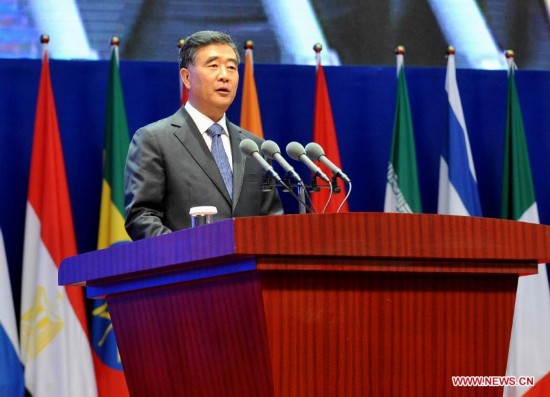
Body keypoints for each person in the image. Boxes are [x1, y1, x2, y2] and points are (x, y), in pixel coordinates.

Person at [124, 30, 283, 240]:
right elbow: (141, 217)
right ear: (187, 77)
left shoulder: (254, 148)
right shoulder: (154, 140)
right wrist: (188, 253)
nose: (224, 75)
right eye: (213, 65)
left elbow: (271, 220)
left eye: (231, 67)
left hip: (248, 271)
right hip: (188, 269)